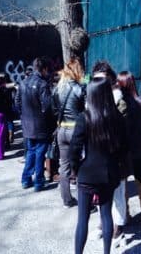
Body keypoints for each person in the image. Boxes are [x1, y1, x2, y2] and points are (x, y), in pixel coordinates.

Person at [70, 76, 127, 254]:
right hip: (110, 173)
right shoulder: (117, 117)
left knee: (83, 219)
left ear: (92, 95)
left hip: (87, 173)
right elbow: (124, 147)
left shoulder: (84, 117)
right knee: (106, 214)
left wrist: (76, 168)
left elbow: (74, 148)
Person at [92, 61, 129, 244]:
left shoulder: (119, 101)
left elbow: (123, 134)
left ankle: (119, 223)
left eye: (103, 79)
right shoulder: (92, 100)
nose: (100, 83)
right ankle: (104, 220)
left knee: (118, 192)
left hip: (116, 156)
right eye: (96, 79)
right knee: (101, 193)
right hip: (98, 157)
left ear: (112, 80)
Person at [117, 71, 141, 226]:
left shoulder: (117, 103)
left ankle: (125, 216)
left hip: (122, 147)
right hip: (138, 145)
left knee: (122, 181)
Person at [52, 57, 86, 208]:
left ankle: (67, 200)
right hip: (75, 130)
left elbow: (53, 109)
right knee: (79, 166)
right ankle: (85, 203)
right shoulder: (79, 89)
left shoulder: (58, 88)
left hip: (61, 129)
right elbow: (85, 110)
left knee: (64, 166)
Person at [15, 57, 53, 192]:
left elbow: (17, 102)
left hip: (27, 124)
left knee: (31, 152)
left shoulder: (23, 82)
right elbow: (48, 106)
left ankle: (26, 179)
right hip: (40, 125)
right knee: (40, 153)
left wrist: (24, 116)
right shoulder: (43, 84)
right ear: (44, 69)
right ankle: (38, 182)